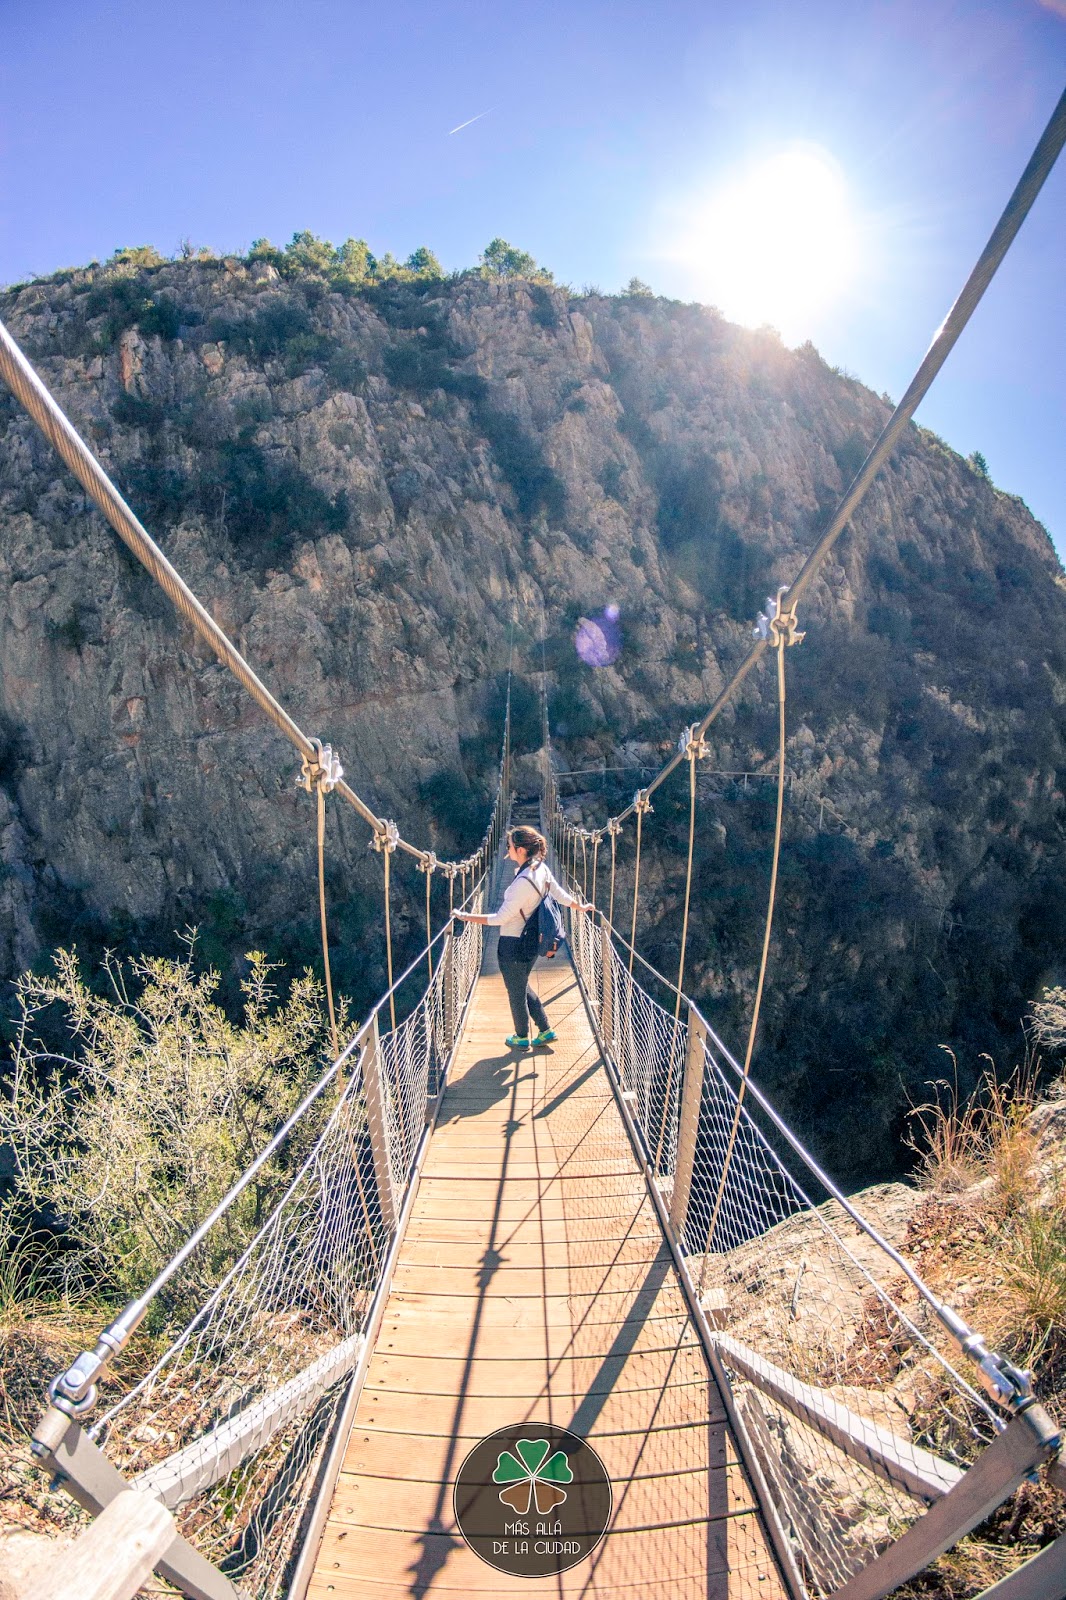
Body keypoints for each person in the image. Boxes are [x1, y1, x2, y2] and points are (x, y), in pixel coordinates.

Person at [454, 825, 594, 1050]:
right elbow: (560, 895)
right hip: (530, 944)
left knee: (516, 993)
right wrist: (580, 906)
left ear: (520, 850)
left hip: (513, 945)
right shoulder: (541, 869)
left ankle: (521, 1037)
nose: (506, 850)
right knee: (521, 986)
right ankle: (545, 1030)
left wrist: (466, 917)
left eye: (509, 846)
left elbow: (500, 918)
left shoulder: (522, 882)